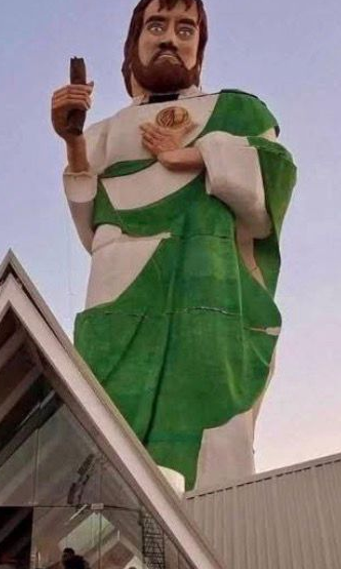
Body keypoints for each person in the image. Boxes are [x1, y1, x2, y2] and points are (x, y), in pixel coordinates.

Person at [51, 0, 296, 493]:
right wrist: (73, 140)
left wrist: (197, 155)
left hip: (206, 290)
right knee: (108, 418)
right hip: (120, 288)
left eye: (186, 29)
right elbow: (93, 220)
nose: (170, 38)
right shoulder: (105, 131)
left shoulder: (235, 111)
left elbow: (273, 176)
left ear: (199, 47)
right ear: (134, 43)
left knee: (211, 411)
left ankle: (214, 533)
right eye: (156, 26)